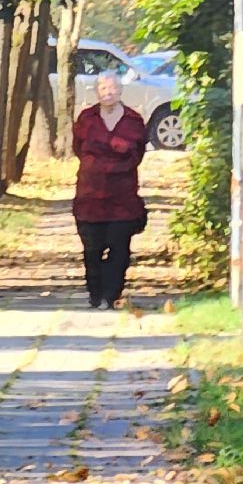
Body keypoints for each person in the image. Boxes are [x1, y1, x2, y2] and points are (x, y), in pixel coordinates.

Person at [72, 71, 149, 309]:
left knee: (119, 249)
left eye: (112, 88)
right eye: (103, 89)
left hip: (122, 197)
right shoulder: (86, 118)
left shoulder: (134, 120)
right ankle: (95, 294)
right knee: (92, 250)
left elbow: (139, 152)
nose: (108, 93)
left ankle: (112, 292)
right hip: (90, 196)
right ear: (97, 92)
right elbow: (78, 148)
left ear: (121, 90)